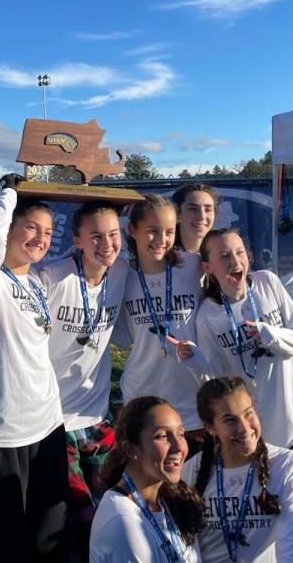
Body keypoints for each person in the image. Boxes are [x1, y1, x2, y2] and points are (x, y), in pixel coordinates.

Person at [181, 228, 293, 563]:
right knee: (274, 512)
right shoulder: (207, 315)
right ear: (208, 267)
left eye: (239, 252)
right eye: (224, 256)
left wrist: (271, 335)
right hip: (257, 430)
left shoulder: (267, 284)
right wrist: (197, 363)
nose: (235, 261)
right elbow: (218, 383)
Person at [0, 175, 68, 561]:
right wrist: (8, 192)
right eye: (31, 228)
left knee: (46, 535)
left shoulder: (36, 280)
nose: (40, 238)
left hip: (47, 424)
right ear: (10, 229)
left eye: (49, 231)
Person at [40, 201, 131, 558]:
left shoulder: (122, 273)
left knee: (113, 503)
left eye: (113, 234)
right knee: (79, 514)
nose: (106, 243)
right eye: (95, 236)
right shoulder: (53, 277)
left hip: (97, 414)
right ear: (77, 240)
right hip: (54, 419)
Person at [183, 376, 293, 563]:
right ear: (210, 427)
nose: (244, 428)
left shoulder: (287, 465)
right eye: (230, 420)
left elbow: (291, 547)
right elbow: (185, 545)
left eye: (248, 413)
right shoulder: (191, 471)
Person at [116, 195, 205, 455]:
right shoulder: (121, 275)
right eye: (152, 231)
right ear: (133, 230)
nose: (161, 240)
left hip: (192, 397)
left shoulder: (193, 265)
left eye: (169, 231)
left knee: (193, 485)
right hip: (142, 396)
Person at [89, 397, 203, 562]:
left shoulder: (170, 499)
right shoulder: (122, 523)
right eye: (163, 436)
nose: (179, 447)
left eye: (181, 434)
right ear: (131, 449)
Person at [172, 184, 218, 254]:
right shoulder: (162, 256)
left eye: (208, 209)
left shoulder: (220, 254)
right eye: (193, 209)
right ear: (178, 213)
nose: (202, 216)